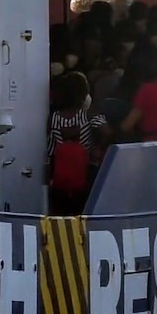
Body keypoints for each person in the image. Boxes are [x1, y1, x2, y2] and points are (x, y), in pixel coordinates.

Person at [47, 71, 111, 215]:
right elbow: (107, 131)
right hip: (85, 171)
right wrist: (98, 148)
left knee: (61, 212)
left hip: (60, 174)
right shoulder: (89, 114)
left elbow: (51, 149)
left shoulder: (54, 117)